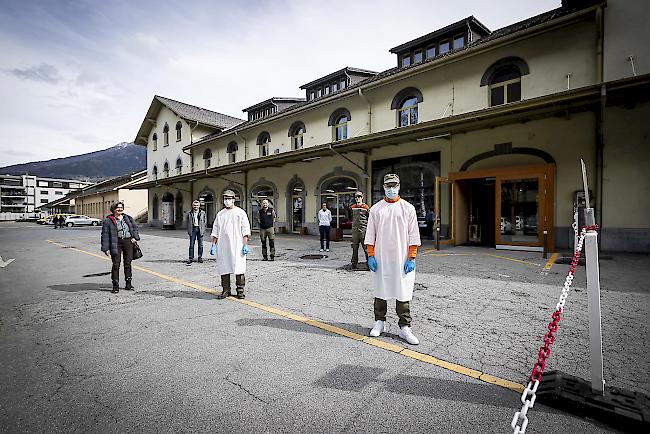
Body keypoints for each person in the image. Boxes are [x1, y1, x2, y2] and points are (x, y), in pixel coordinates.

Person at [365, 173, 422, 345]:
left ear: (399, 186)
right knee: (380, 289)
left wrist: (411, 257)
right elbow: (370, 234)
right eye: (388, 186)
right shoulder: (376, 209)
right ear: (383, 187)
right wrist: (370, 255)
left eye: (394, 185)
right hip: (381, 258)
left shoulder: (408, 208)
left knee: (403, 291)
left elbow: (413, 234)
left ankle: (405, 327)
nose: (391, 189)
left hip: (401, 258)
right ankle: (379, 322)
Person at [211, 190, 251, 299]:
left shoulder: (240, 213)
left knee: (239, 268)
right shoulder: (220, 214)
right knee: (224, 267)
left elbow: (245, 230)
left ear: (234, 199)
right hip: (223, 246)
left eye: (229, 198)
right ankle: (226, 290)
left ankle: (240, 290)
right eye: (225, 198)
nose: (227, 201)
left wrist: (245, 245)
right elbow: (215, 231)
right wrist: (213, 245)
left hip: (237, 245)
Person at [101, 201, 140, 294]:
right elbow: (105, 235)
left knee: (128, 263)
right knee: (116, 265)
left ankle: (128, 283)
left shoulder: (128, 218)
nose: (120, 209)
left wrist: (135, 237)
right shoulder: (108, 220)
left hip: (128, 241)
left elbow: (134, 228)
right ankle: (115, 285)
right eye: (118, 208)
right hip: (116, 242)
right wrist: (105, 248)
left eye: (121, 208)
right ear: (113, 209)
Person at [350, 191, 369, 269]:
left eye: (359, 196)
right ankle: (354, 264)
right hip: (355, 232)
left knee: (366, 249)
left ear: (362, 197)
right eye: (356, 197)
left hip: (363, 231)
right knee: (354, 249)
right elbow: (351, 217)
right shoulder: (353, 207)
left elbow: (369, 218)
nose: (358, 198)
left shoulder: (366, 207)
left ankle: (369, 264)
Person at [186, 200, 207, 264]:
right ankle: (190, 258)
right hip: (193, 229)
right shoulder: (189, 213)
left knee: (200, 245)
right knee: (191, 245)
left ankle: (200, 257)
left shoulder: (203, 213)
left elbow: (205, 222)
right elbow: (187, 222)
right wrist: (189, 230)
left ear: (199, 206)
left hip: (200, 229)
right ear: (192, 206)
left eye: (197, 205)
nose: (196, 206)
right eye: (194, 205)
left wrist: (203, 230)